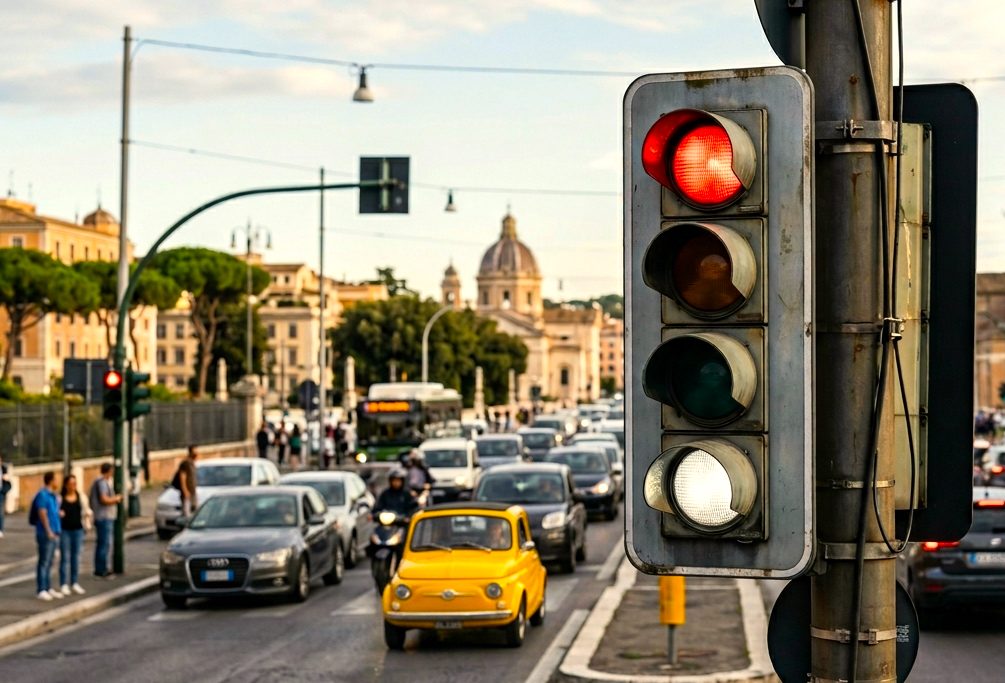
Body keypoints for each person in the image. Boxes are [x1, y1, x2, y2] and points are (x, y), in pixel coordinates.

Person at [58, 474, 91, 596]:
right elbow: (56, 513)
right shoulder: (60, 499)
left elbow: (86, 510)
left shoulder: (81, 497)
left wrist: (87, 517)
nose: (73, 486)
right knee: (65, 558)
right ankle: (63, 584)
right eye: (71, 484)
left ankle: (74, 582)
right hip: (64, 531)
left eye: (75, 484)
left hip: (78, 530)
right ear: (66, 485)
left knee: (76, 557)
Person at [31, 472, 62, 600]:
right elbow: (42, 513)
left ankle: (48, 587)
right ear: (51, 481)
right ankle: (41, 589)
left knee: (50, 561)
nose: (58, 482)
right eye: (56, 480)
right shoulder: (43, 495)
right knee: (44, 561)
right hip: (45, 533)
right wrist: (48, 530)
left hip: (55, 531)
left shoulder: (53, 495)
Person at [89, 463, 122, 578]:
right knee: (104, 543)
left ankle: (101, 567)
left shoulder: (102, 482)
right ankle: (101, 569)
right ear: (109, 471)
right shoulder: (102, 482)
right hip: (104, 516)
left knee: (103, 543)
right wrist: (116, 499)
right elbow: (104, 499)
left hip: (104, 516)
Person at [172, 446, 199, 517]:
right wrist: (185, 490)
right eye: (195, 452)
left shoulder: (192, 463)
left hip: (193, 491)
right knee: (187, 514)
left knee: (195, 512)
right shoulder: (185, 463)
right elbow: (182, 477)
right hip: (187, 493)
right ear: (190, 452)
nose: (197, 453)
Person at [0, 451, 10, 539]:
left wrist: (4, 491)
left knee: (0, 512)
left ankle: (0, 529)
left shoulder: (4, 469)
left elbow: (8, 482)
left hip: (1, 493)